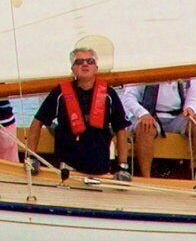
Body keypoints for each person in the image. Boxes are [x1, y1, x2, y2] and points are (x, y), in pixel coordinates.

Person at [28, 45, 131, 176]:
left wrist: (123, 166)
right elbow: (38, 121)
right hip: (66, 169)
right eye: (79, 62)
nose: (85, 64)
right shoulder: (59, 93)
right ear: (73, 69)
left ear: (96, 68)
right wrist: (31, 157)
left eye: (90, 61)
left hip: (99, 167)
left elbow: (121, 129)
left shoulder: (109, 95)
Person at [118, 72, 196, 179]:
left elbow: (193, 98)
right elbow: (128, 98)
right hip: (149, 115)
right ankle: (146, 177)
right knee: (145, 127)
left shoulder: (186, 70)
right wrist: (143, 114)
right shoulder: (145, 70)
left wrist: (190, 108)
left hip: (176, 117)